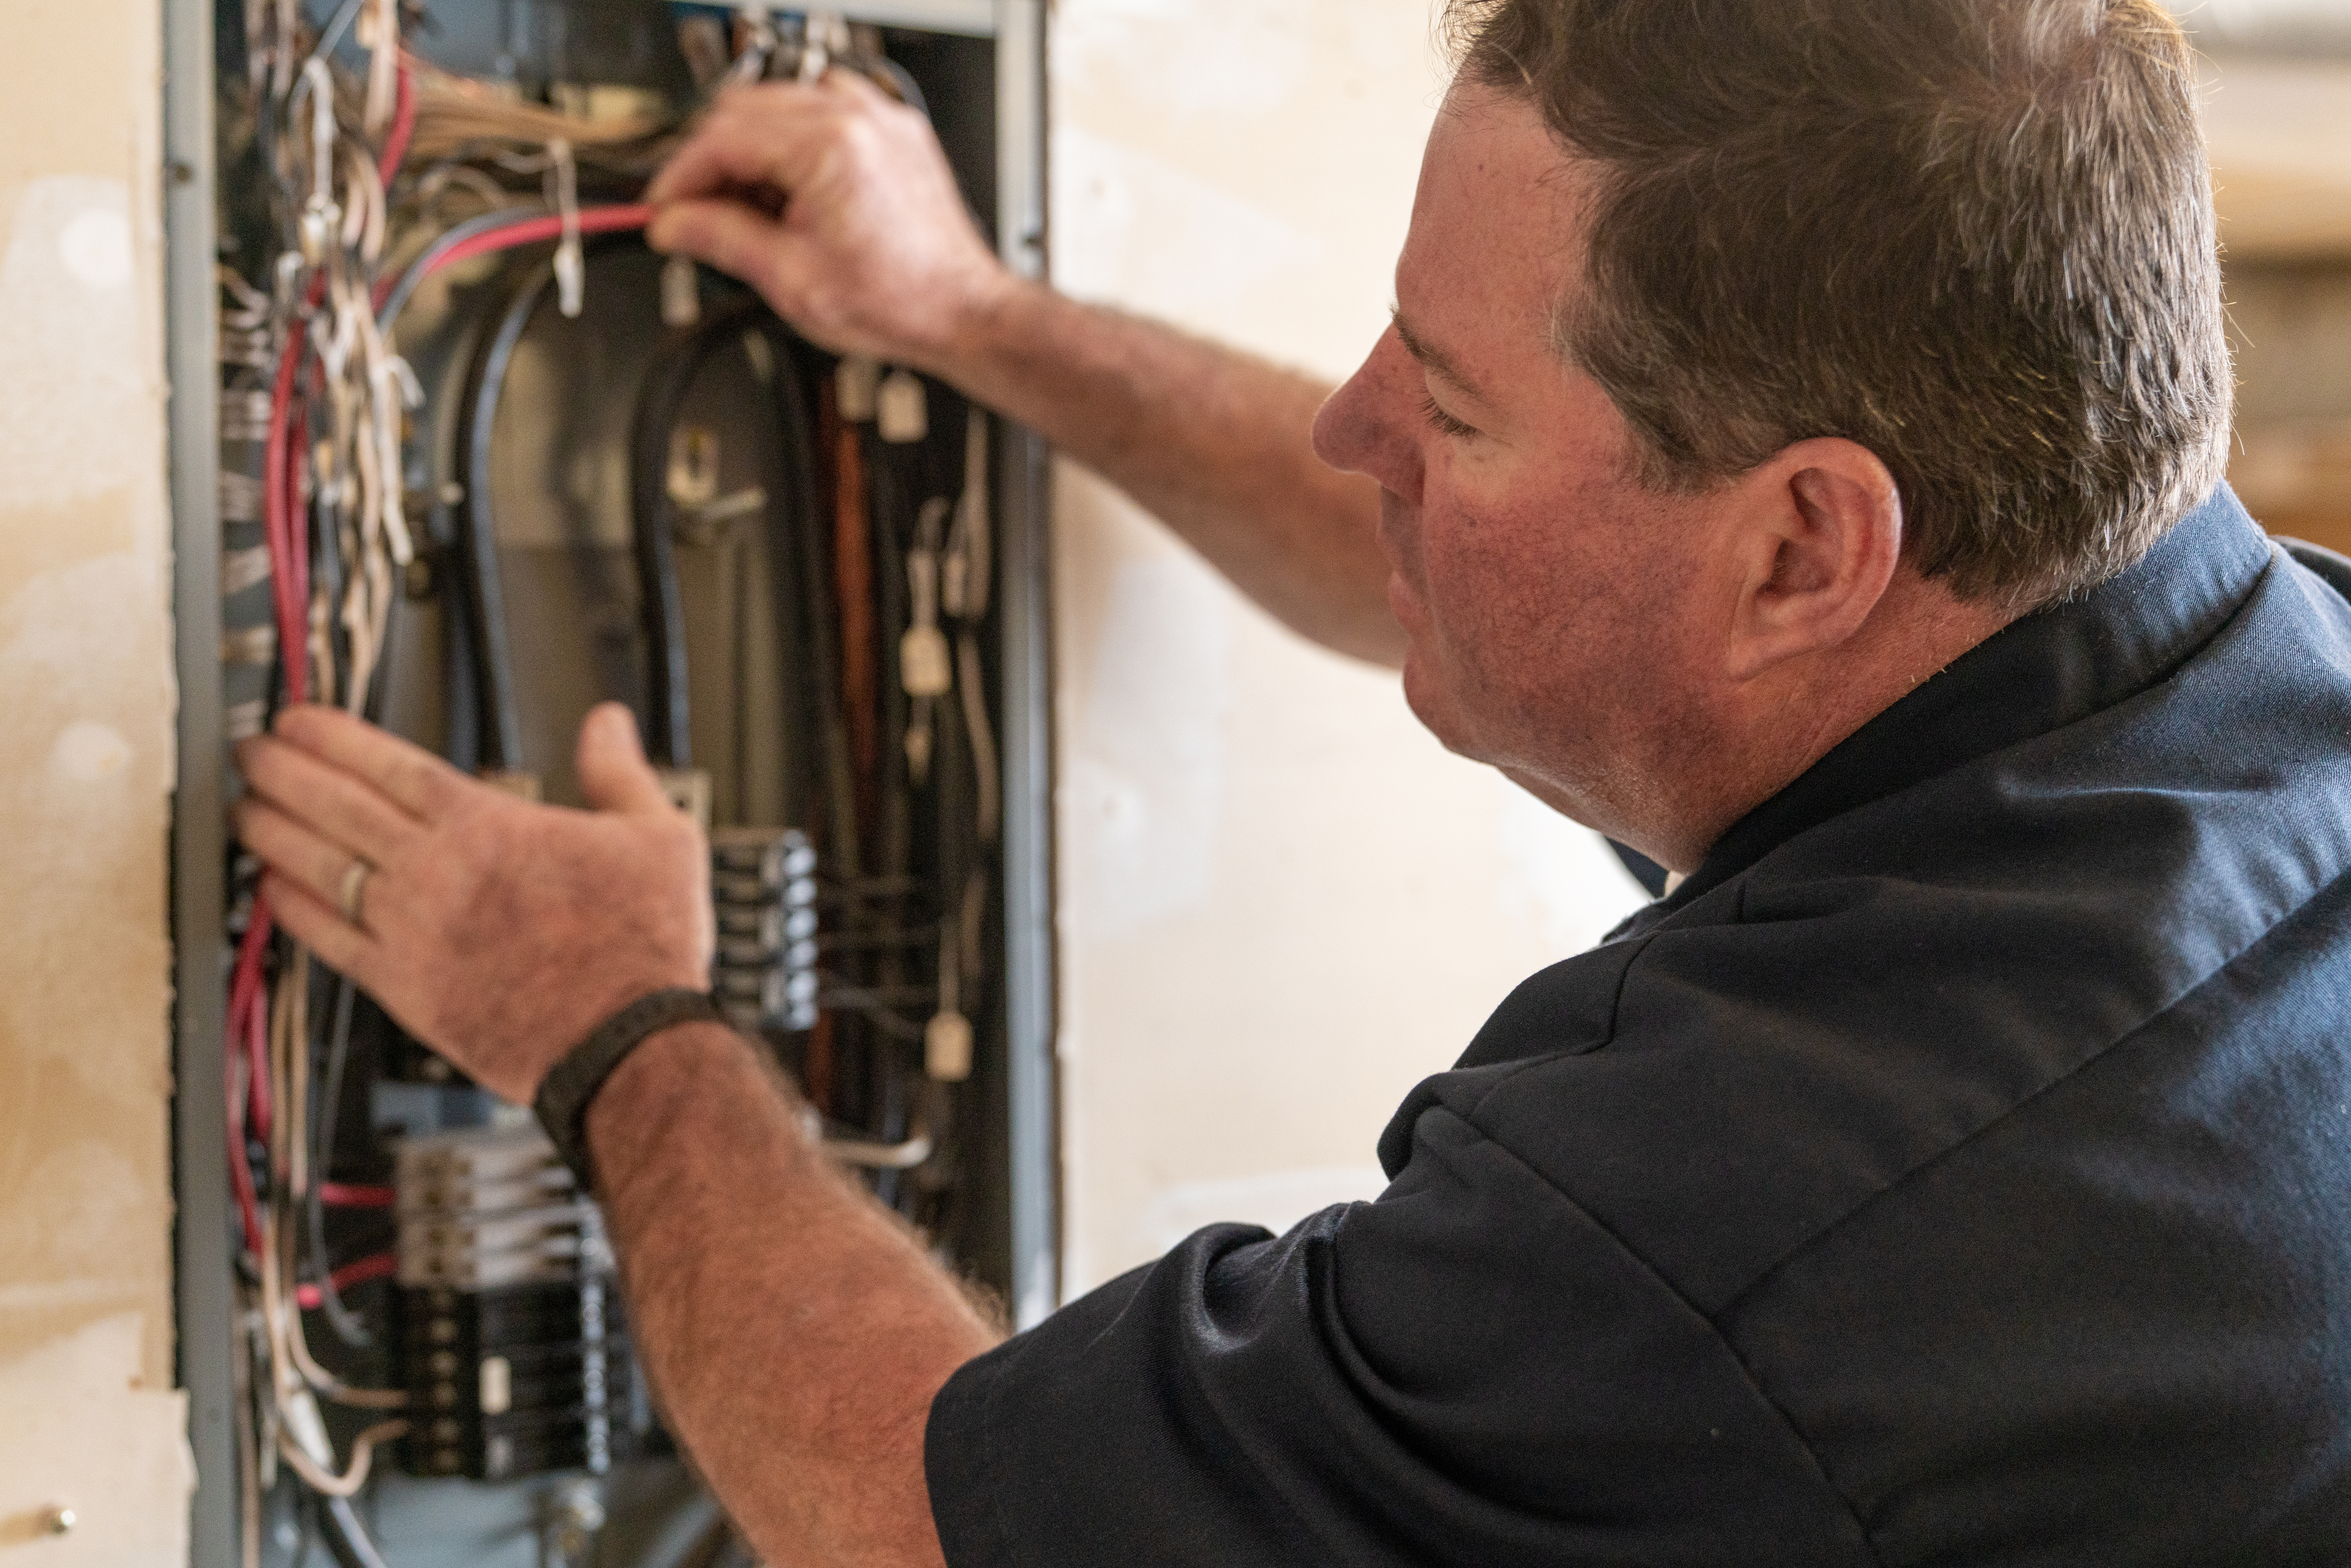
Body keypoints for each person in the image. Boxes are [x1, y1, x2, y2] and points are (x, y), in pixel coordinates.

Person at [231, 0, 2351, 1561]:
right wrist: (970, 316)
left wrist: (614, 1025)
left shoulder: (1745, 1218)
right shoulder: (2224, 662)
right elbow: (1535, 564)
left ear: (1805, 547)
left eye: (1445, 400)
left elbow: (916, 1522)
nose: (1359, 433)